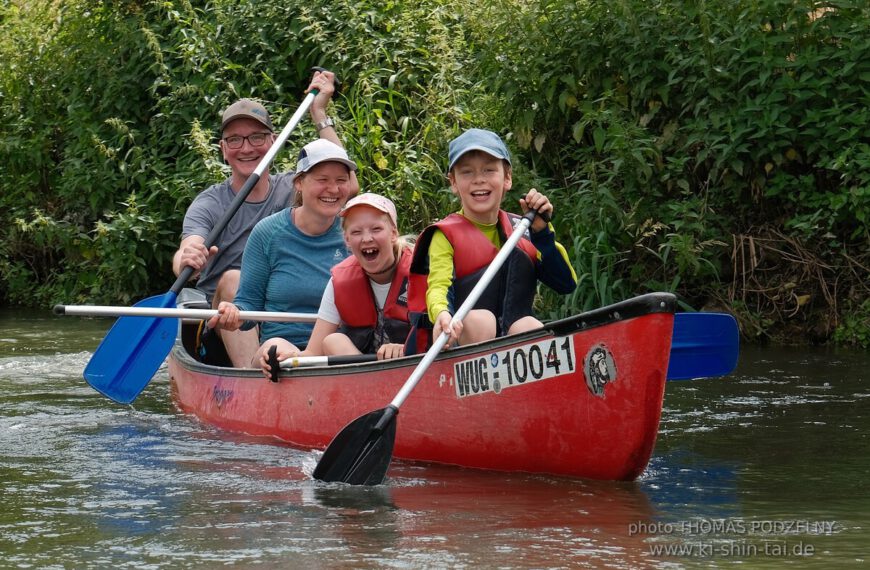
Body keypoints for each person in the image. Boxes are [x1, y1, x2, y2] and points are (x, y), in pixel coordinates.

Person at [172, 69, 358, 368]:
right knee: (234, 278)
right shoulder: (209, 203)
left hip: (289, 310)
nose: (246, 148)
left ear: (273, 142)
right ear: (223, 150)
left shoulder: (297, 187)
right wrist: (187, 258)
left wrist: (319, 112)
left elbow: (344, 183)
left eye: (256, 137)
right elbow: (187, 249)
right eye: (234, 140)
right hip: (230, 317)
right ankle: (251, 376)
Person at [406, 128, 577, 352]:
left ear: (507, 178)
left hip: (510, 344)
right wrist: (442, 314)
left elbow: (566, 284)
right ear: (454, 182)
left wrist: (542, 233)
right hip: (461, 340)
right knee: (482, 321)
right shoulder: (444, 234)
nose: (479, 179)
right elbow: (438, 286)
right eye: (467, 172)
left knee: (529, 325)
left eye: (489, 170)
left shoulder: (526, 228)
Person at [207, 138, 357, 377]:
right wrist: (234, 313)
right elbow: (249, 306)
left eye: (341, 180)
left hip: (335, 350)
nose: (333, 189)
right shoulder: (267, 233)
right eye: (322, 180)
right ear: (299, 183)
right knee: (277, 348)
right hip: (282, 351)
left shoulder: (356, 233)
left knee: (341, 346)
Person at [298, 193, 412, 363]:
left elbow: (442, 335)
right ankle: (370, 378)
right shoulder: (339, 281)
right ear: (347, 240)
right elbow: (312, 353)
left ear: (393, 233)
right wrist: (285, 356)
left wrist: (406, 347)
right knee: (333, 341)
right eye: (356, 232)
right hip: (364, 369)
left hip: (415, 364)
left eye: (376, 229)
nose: (366, 238)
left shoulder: (422, 271)